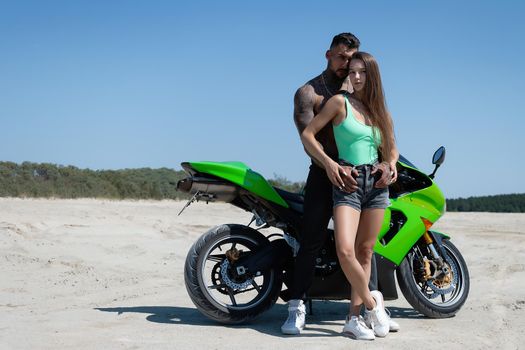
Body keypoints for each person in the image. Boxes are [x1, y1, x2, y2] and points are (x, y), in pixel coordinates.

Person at [281, 33, 399, 335]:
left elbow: (382, 136)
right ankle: (297, 304)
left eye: (353, 59)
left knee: (367, 248)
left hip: (361, 175)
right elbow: (308, 139)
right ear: (328, 55)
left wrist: (388, 164)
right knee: (312, 238)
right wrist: (332, 166)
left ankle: (369, 311)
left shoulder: (360, 94)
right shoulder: (310, 93)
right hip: (325, 172)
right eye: (342, 58)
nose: (347, 65)